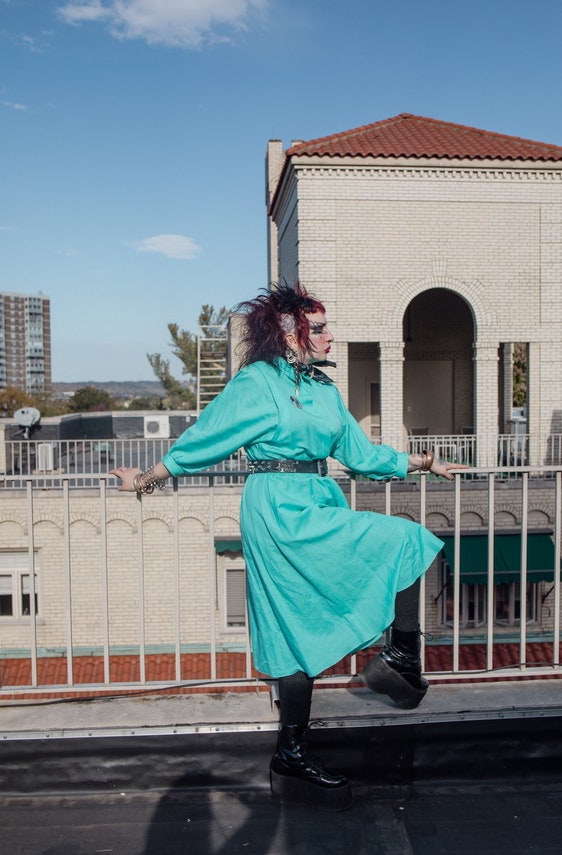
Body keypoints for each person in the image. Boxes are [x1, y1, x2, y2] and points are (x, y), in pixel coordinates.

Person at [110, 283, 465, 812]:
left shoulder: (323, 391)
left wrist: (422, 463)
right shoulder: (258, 382)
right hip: (275, 508)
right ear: (286, 331)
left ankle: (392, 663)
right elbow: (207, 436)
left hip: (318, 501)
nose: (328, 337)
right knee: (290, 625)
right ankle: (299, 749)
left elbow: (362, 454)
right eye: (317, 328)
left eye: (326, 326)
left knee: (407, 540)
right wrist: (146, 480)